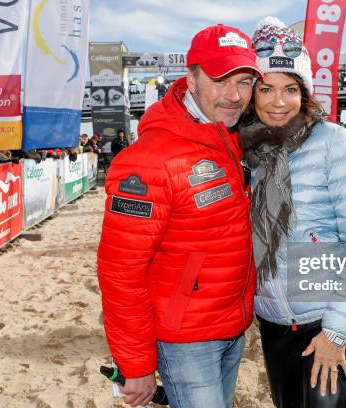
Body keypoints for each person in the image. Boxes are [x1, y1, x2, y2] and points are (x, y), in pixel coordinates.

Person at [97, 23, 262, 408]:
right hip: (186, 340)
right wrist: (135, 364)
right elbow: (119, 270)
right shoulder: (148, 160)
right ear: (191, 79)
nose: (234, 95)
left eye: (244, 82)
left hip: (233, 326)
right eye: (221, 80)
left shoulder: (233, 139)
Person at [239, 17, 346, 408]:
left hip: (325, 323)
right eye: (266, 88)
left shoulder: (331, 141)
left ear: (304, 92)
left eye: (290, 89)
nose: (278, 101)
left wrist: (337, 331)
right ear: (252, 92)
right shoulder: (250, 152)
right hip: (273, 326)